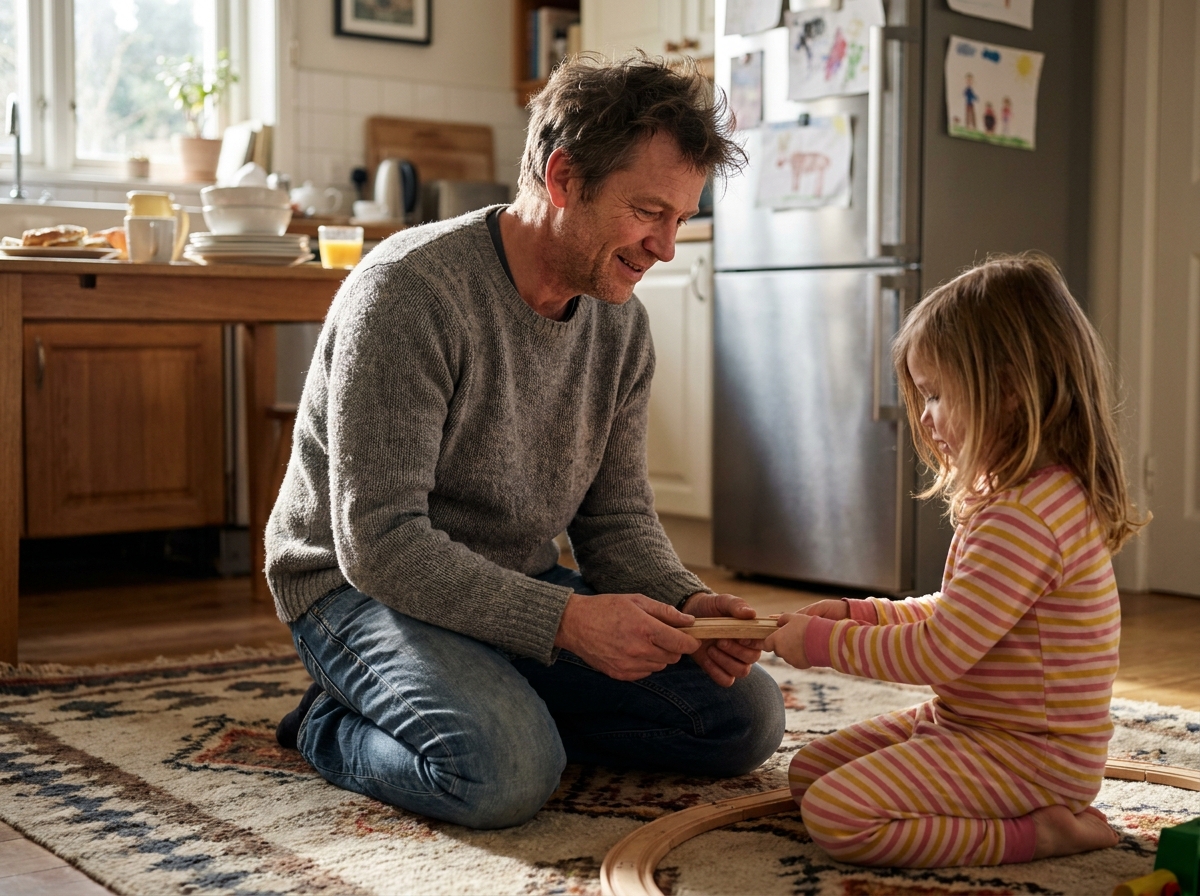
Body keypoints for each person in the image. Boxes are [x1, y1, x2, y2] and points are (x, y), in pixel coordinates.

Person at [265, 53, 787, 831]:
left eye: (680, 219)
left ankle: (495, 694)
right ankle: (330, 723)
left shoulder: (621, 325)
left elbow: (615, 521)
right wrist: (567, 625)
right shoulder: (408, 292)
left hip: (514, 582)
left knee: (743, 719)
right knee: (504, 774)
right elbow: (378, 543)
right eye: (650, 212)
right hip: (354, 588)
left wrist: (685, 600)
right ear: (564, 177)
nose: (666, 247)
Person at [763, 254, 1147, 868]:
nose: (924, 416)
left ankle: (1039, 835)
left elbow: (939, 650)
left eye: (938, 394)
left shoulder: (1027, 517)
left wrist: (823, 644)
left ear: (1013, 390)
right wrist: (855, 613)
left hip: (1033, 757)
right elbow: (957, 614)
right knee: (809, 774)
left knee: (837, 815)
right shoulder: (1022, 495)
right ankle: (981, 808)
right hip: (971, 724)